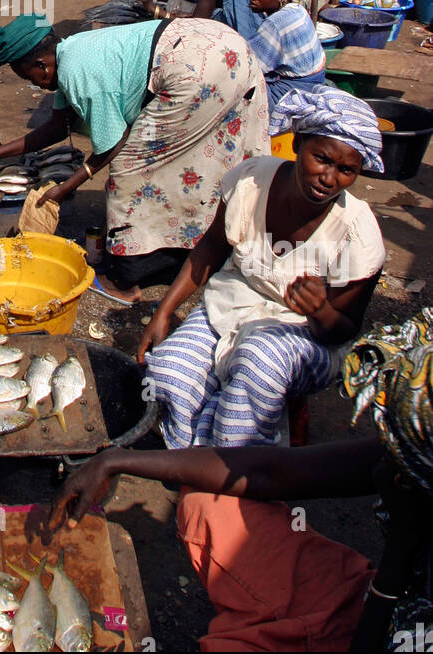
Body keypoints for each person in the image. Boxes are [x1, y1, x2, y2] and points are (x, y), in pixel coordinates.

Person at [46, 306, 433, 653]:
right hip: (379, 591)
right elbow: (270, 471)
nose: (386, 464)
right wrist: (116, 461)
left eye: (399, 456)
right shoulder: (410, 465)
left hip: (394, 625)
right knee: (206, 500)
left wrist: (401, 551)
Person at [0, 11, 270, 303]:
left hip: (197, 69)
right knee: (203, 160)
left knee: (131, 169)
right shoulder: (72, 51)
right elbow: (57, 127)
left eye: (30, 78)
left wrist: (65, 188)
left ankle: (127, 278)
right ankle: (215, 243)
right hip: (222, 46)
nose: (34, 85)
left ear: (42, 65)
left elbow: (112, 145)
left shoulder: (78, 74)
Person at [138, 87, 384, 450]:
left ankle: (236, 466)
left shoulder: (357, 232)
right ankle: (193, 452)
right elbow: (209, 250)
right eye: (322, 159)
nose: (329, 178)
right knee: (167, 374)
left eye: (346, 170)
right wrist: (163, 312)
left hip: (305, 336)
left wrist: (320, 311)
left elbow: (344, 330)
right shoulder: (252, 180)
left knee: (256, 361)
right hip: (232, 307)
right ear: (298, 144)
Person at [246, 0, 326, 110]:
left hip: (291, 91)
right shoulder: (297, 9)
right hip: (315, 81)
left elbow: (249, 65)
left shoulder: (275, 24)